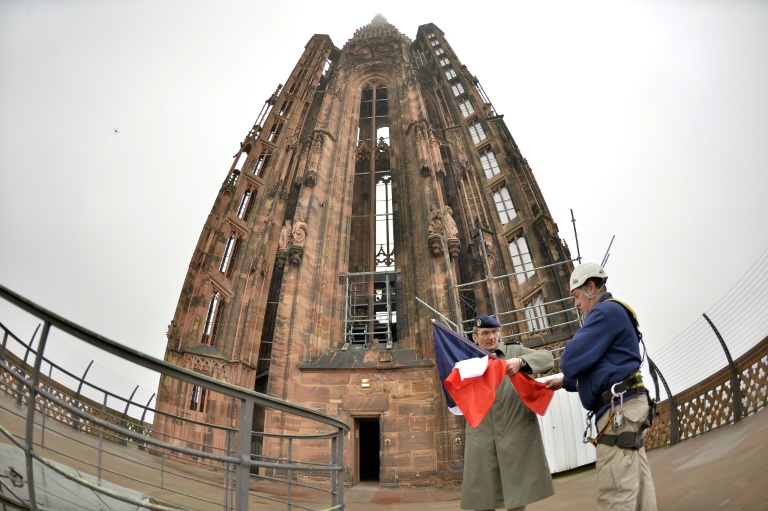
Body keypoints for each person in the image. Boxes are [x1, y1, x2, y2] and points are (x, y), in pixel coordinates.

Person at [546, 263, 657, 511]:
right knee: (639, 486)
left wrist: (567, 370)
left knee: (615, 492)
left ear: (591, 288)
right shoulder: (615, 312)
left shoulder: (604, 313)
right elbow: (603, 371)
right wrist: (564, 383)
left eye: (576, 296)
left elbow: (570, 361)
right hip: (631, 404)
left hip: (619, 411)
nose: (576, 304)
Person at [461, 314, 555, 511]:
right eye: (485, 333)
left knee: (517, 495)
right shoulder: (466, 359)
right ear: (474, 337)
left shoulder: (513, 350)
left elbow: (548, 358)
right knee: (482, 495)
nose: (491, 337)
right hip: (481, 434)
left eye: (494, 332)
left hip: (515, 432)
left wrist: (520, 362)